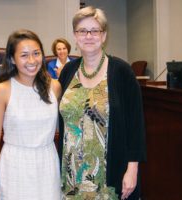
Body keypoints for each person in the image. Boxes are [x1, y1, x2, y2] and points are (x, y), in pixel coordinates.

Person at [58, 6, 146, 200]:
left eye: (95, 30)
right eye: (82, 31)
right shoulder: (67, 72)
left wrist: (132, 170)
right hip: (71, 173)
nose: (88, 36)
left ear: (104, 35)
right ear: (75, 35)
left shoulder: (122, 72)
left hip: (110, 172)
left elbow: (136, 125)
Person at [0, 29, 61, 200]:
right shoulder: (2, 90)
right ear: (12, 59)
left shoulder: (54, 87)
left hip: (47, 164)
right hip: (15, 166)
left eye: (36, 53)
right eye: (24, 55)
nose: (32, 60)